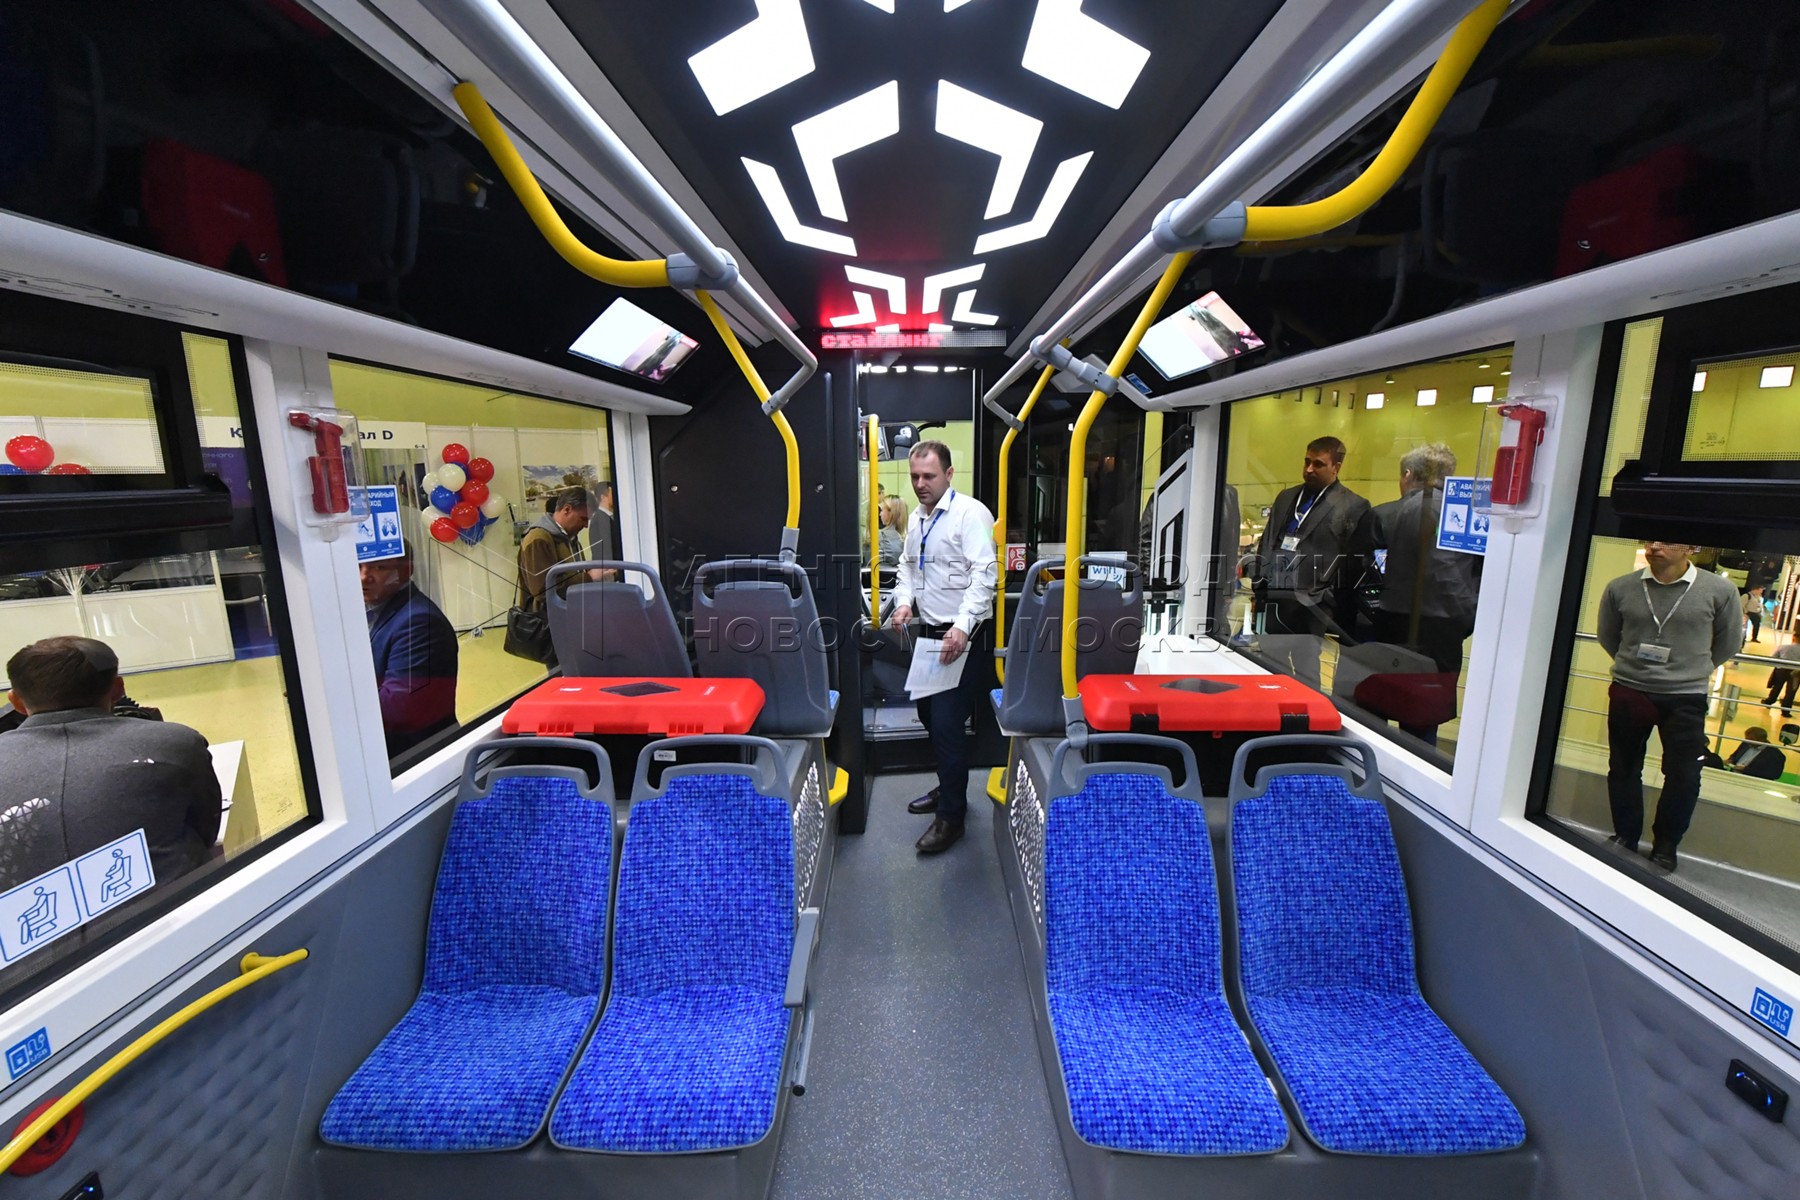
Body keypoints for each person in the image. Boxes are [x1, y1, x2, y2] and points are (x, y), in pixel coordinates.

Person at [0, 637, 222, 889]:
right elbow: (206, 828)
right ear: (118, 689)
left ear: (16, 701)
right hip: (179, 903)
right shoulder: (177, 742)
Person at [1597, 541, 1742, 871]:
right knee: (1623, 767)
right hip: (1630, 690)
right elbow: (1608, 635)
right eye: (1651, 540)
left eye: (1667, 541)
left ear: (1691, 548)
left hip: (1685, 696)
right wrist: (1635, 668)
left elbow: (1729, 641)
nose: (1655, 546)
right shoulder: (1620, 587)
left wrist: (1693, 671)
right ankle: (1625, 836)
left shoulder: (1719, 591)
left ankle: (1665, 845)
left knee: (1684, 775)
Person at [888, 441, 997, 855]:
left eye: (929, 476)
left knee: (949, 725)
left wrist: (962, 627)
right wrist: (903, 602)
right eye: (915, 476)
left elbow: (985, 575)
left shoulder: (971, 514)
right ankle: (949, 786)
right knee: (928, 715)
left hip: (963, 635)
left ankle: (952, 818)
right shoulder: (918, 518)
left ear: (949, 475)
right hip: (932, 635)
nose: (920, 484)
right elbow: (907, 567)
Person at [1366, 444, 1479, 743]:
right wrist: (1468, 614)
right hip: (1435, 628)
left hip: (1410, 625)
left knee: (1396, 715)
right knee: (1421, 724)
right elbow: (1450, 568)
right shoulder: (1448, 509)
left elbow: (1439, 568)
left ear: (1408, 474)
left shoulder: (1408, 509)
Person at [1251, 436, 1372, 689]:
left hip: (1313, 603)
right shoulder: (1287, 497)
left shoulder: (1353, 506)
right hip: (1275, 595)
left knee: (1307, 671)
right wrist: (1259, 582)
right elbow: (1268, 540)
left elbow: (1353, 562)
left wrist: (1327, 596)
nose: (1309, 469)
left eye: (1318, 464)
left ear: (1336, 467)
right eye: (1307, 462)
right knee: (1268, 667)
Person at [361, 543, 459, 757]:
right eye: (359, 566)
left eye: (379, 567)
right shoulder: (375, 612)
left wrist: (334, 695)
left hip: (415, 757)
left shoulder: (419, 622)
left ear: (407, 570)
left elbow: (397, 709)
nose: (364, 577)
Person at [517, 486, 591, 613]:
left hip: (568, 614)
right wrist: (589, 577)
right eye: (583, 519)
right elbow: (543, 591)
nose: (586, 525)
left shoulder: (570, 538)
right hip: (546, 619)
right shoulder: (538, 538)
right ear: (567, 509)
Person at [1766, 635, 1800, 717]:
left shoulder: (1783, 647)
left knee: (1777, 687)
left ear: (1793, 638)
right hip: (1796, 672)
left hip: (1781, 670)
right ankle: (1786, 710)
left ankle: (1769, 701)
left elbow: (1772, 657)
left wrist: (1778, 666)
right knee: (1791, 691)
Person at [877, 495, 906, 566]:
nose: (880, 514)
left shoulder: (880, 536)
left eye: (882, 510)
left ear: (891, 512)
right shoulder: (907, 536)